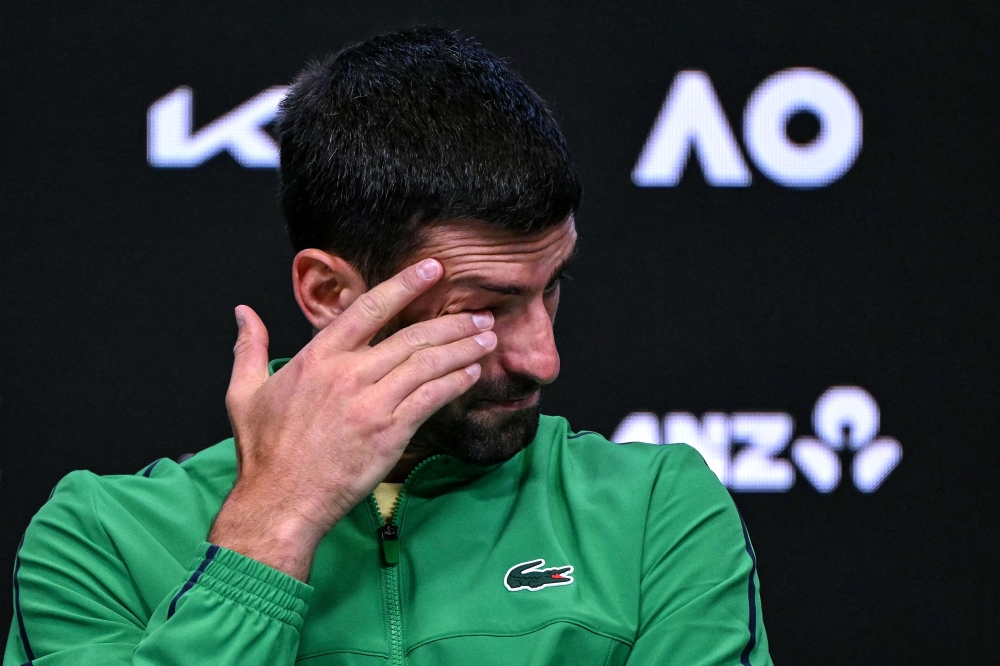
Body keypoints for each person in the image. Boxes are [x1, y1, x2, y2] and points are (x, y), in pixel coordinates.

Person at [4, 27, 772, 665]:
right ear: (331, 294)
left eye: (552, 286)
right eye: (484, 309)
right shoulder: (95, 539)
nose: (543, 358)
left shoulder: (654, 513)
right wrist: (276, 521)